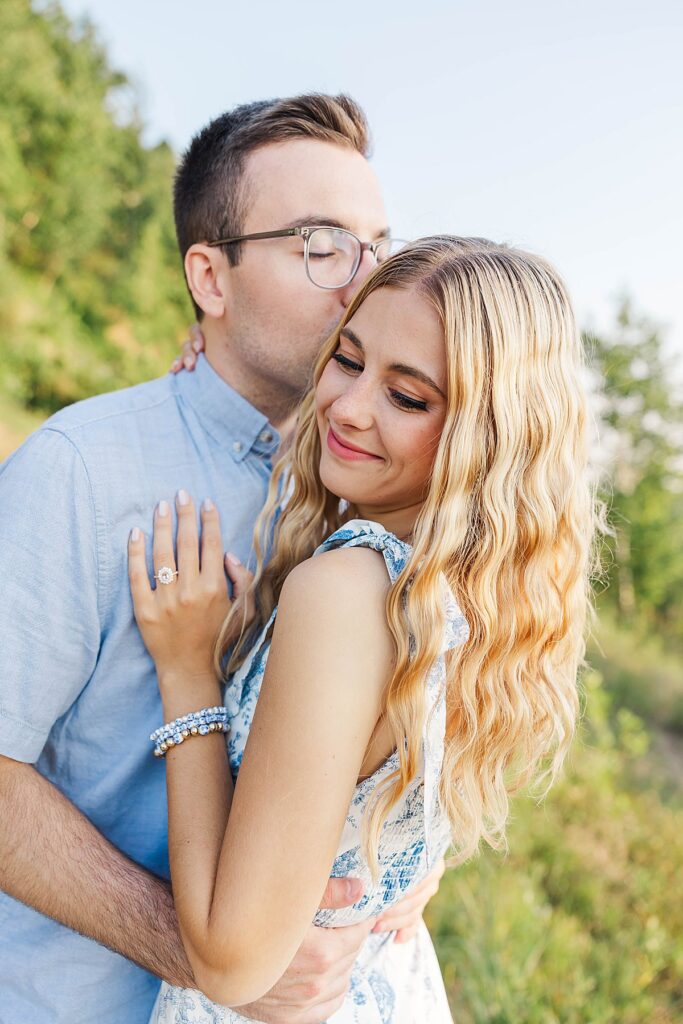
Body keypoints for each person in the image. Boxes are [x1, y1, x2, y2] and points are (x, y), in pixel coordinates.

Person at [0, 94, 440, 1024]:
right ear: (211, 276)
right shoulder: (83, 471)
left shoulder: (367, 484)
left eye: (377, 246)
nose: (362, 280)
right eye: (322, 245)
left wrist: (407, 861)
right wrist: (208, 951)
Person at [127, 236, 597, 1022]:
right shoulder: (477, 601)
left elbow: (233, 962)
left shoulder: (349, 592)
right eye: (346, 360)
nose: (347, 406)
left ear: (489, 437)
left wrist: (187, 675)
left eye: (407, 398)